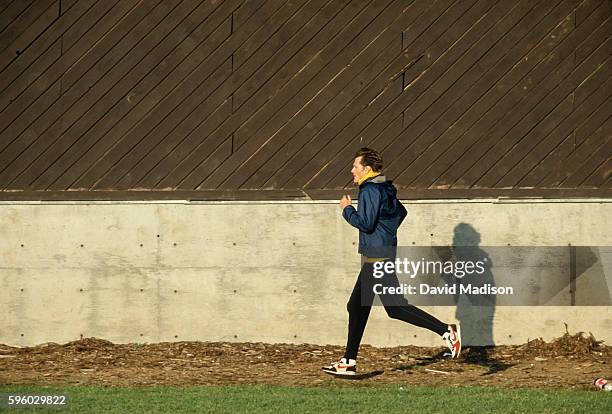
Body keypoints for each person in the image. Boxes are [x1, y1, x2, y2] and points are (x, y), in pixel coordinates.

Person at [322, 147, 461, 376]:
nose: (352, 170)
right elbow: (401, 213)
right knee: (361, 307)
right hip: (380, 253)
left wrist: (347, 210)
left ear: (367, 168)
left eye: (355, 166)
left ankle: (446, 331)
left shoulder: (369, 190)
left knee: (392, 307)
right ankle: (348, 361)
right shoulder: (385, 187)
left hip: (377, 256)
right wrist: (386, 232)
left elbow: (365, 223)